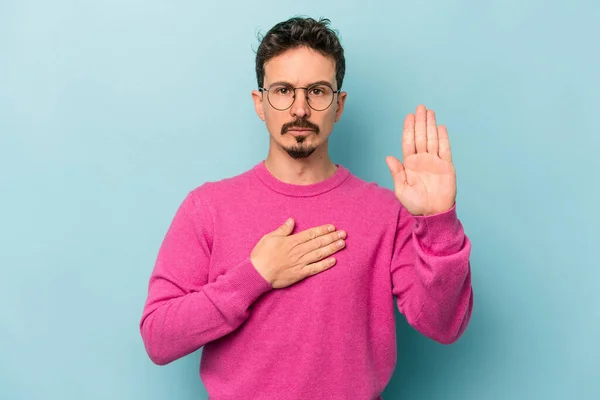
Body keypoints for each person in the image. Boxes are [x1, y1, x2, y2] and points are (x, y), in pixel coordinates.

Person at [139, 16, 473, 400]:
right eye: (282, 90)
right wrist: (255, 276)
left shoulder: (385, 212)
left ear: (339, 105)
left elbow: (444, 326)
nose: (300, 109)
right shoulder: (207, 207)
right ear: (260, 103)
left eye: (317, 91)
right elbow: (158, 338)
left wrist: (437, 222)